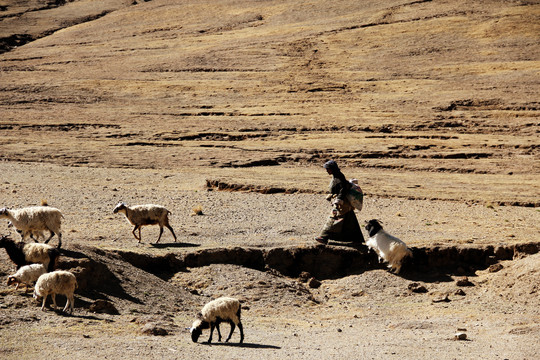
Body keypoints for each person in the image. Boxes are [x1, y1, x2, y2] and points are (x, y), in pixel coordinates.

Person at [315, 160, 364, 245]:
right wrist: (331, 195)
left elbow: (343, 189)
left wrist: (338, 200)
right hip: (344, 203)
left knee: (333, 218)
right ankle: (357, 239)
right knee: (350, 220)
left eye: (328, 169)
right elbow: (338, 189)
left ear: (332, 169)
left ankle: (324, 237)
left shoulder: (339, 177)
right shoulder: (336, 176)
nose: (327, 171)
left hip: (342, 203)